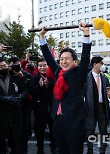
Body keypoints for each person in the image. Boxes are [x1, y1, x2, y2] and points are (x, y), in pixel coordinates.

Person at [38, 23, 91, 154]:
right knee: (62, 151)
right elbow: (49, 58)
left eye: (67, 59)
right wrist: (42, 37)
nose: (63, 61)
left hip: (74, 122)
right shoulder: (58, 72)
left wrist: (86, 34)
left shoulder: (79, 73)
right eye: (61, 59)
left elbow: (85, 57)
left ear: (74, 61)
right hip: (57, 121)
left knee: (74, 151)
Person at [85, 56, 110, 154]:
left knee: (104, 131)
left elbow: (109, 91)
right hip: (90, 108)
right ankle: (90, 150)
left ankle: (103, 151)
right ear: (95, 64)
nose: (103, 65)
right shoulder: (86, 78)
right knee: (90, 131)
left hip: (102, 108)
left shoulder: (104, 77)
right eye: (101, 63)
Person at [0, 57, 28, 154]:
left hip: (15, 112)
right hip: (2, 113)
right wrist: (5, 98)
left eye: (5, 65)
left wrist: (21, 97)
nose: (4, 67)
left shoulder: (15, 76)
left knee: (16, 138)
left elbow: (26, 88)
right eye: (1, 66)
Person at [29, 58, 56, 154]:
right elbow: (31, 91)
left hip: (52, 109)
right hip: (39, 109)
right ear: (37, 67)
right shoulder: (34, 78)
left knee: (53, 130)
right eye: (40, 66)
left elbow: (58, 89)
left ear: (48, 66)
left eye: (44, 65)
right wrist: (39, 86)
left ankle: (54, 147)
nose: (43, 67)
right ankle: (40, 148)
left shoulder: (52, 77)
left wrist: (49, 84)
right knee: (39, 130)